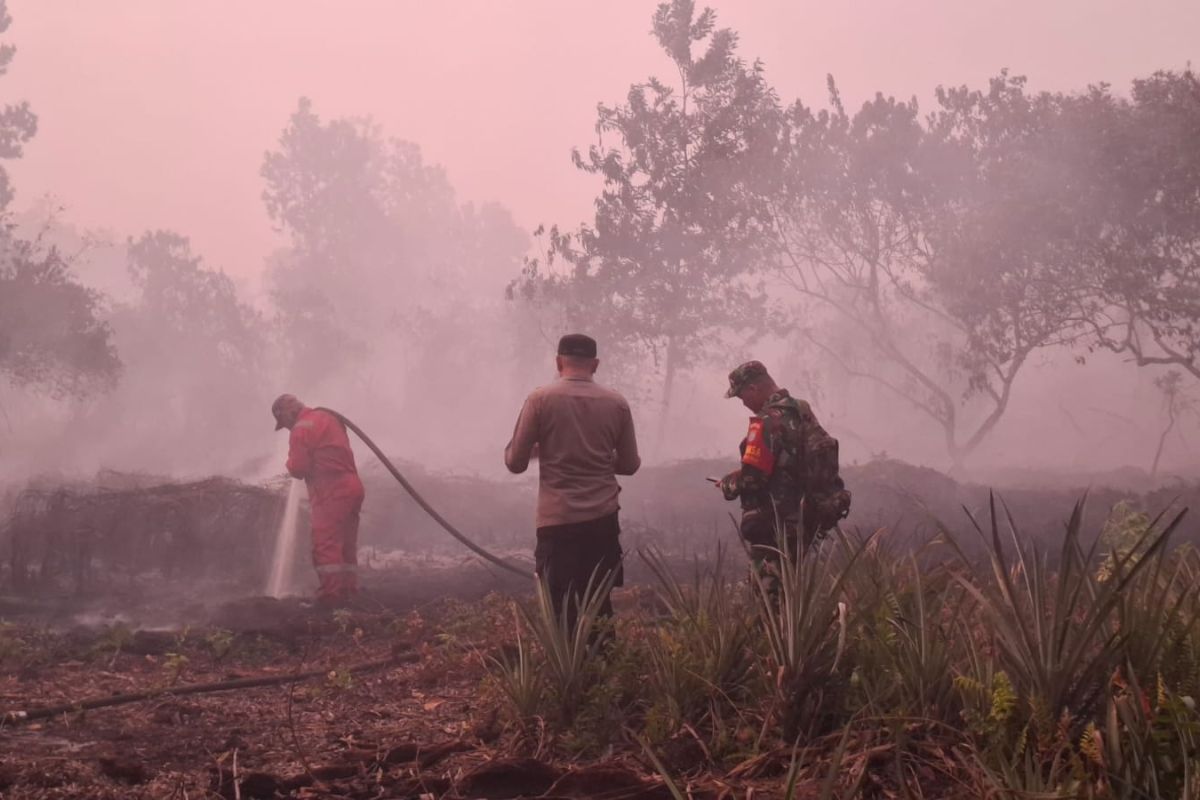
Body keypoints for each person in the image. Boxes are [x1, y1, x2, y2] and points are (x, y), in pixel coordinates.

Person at [504, 334, 641, 631]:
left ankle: (568, 673)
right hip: (602, 520)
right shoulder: (617, 403)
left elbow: (515, 462)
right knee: (598, 605)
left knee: (558, 607)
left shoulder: (539, 400)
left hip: (558, 521)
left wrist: (543, 451)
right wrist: (599, 457)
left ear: (558, 362)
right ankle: (602, 671)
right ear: (595, 364)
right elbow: (630, 465)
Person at [716, 361, 850, 564]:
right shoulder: (801, 410)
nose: (743, 403)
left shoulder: (764, 423)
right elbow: (790, 460)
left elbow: (753, 478)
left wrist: (729, 484)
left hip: (775, 528)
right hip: (806, 520)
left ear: (753, 388)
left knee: (770, 592)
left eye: (742, 396)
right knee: (796, 589)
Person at [271, 394, 365, 605]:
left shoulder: (301, 428)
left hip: (331, 491)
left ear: (286, 413)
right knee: (346, 544)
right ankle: (349, 591)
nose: (286, 427)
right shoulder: (327, 417)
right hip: (352, 486)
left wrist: (288, 463)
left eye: (283, 423)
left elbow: (298, 468)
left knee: (325, 543)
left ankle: (331, 597)